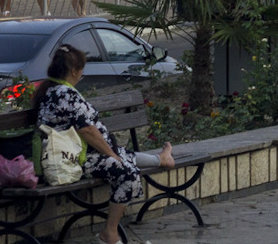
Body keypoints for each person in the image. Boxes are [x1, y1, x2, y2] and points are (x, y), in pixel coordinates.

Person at [35, 43, 175, 244]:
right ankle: (109, 234)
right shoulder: (65, 94)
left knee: (122, 157)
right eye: (81, 70)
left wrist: (112, 153)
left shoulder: (53, 90)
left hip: (77, 155)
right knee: (126, 171)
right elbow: (87, 131)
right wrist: (111, 155)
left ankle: (161, 159)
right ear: (74, 71)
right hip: (72, 160)